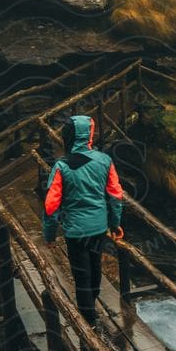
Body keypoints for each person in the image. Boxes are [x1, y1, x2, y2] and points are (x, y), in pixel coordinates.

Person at [41, 113, 125, 324]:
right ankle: (93, 302)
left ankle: (89, 321)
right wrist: (115, 224)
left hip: (75, 231)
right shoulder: (105, 160)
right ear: (89, 135)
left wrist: (49, 235)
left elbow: (51, 205)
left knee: (81, 274)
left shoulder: (62, 166)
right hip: (99, 227)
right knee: (95, 266)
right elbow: (115, 195)